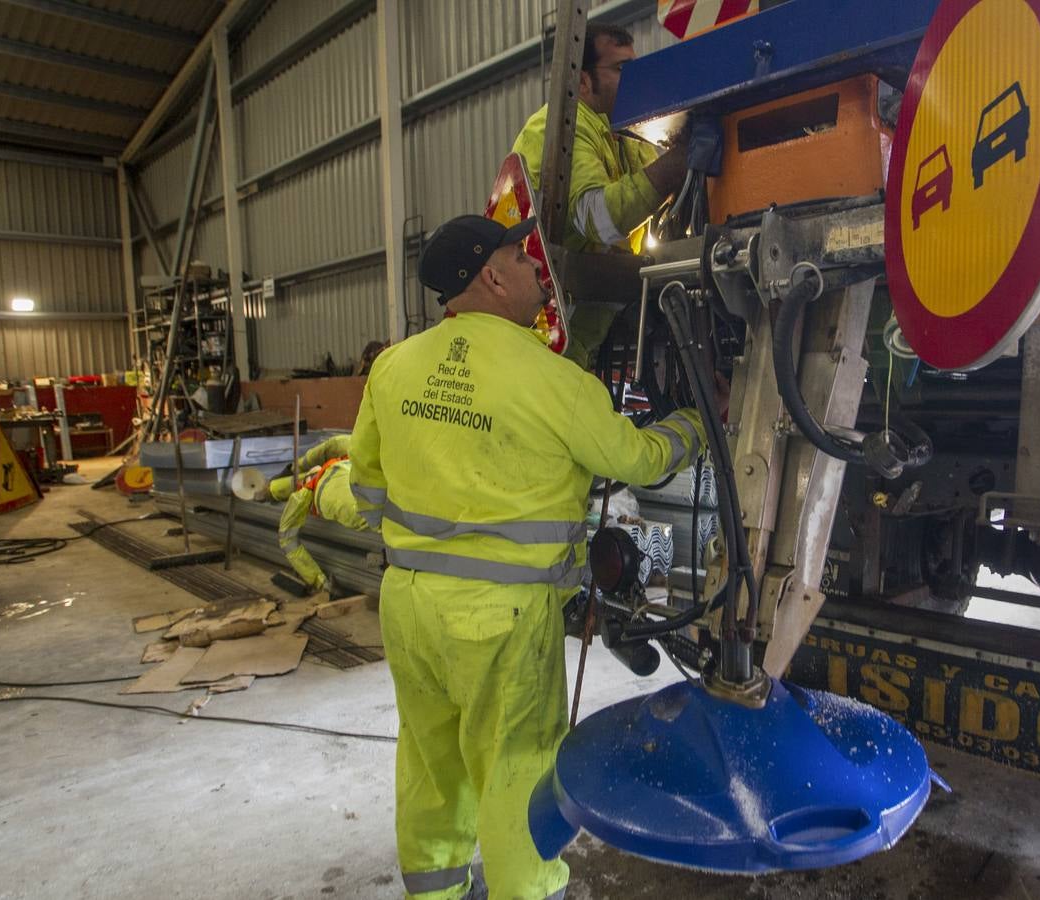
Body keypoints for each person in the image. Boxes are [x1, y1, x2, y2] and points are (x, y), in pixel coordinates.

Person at [349, 213, 712, 899]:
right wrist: (696, 422)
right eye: (521, 258)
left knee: (430, 762)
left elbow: (365, 487)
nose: (535, 271)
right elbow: (636, 459)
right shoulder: (554, 382)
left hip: (409, 606)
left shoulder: (392, 369)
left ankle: (435, 892)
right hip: (502, 620)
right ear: (489, 274)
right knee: (516, 765)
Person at [512, 22, 688, 368]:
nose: (633, 78)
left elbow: (661, 200)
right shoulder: (560, 126)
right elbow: (601, 219)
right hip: (544, 336)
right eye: (621, 69)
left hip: (590, 336)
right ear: (583, 81)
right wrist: (677, 162)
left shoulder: (625, 135)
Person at [258, 434, 373, 593]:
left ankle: (268, 491)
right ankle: (268, 491)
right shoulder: (355, 455)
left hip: (367, 511)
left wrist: (320, 581)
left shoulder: (303, 496)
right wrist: (294, 467)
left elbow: (287, 539)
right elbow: (334, 444)